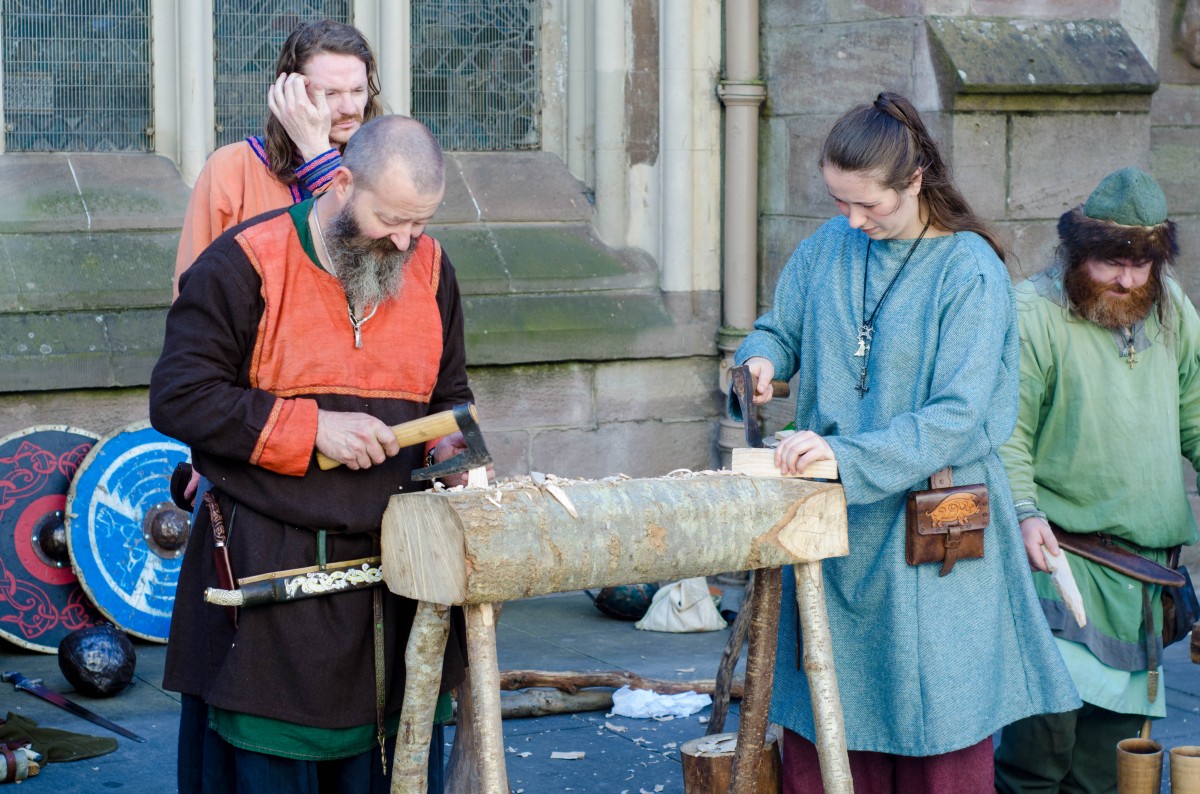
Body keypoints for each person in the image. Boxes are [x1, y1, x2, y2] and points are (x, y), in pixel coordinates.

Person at [731, 92, 1080, 792]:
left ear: (915, 180)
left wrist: (847, 458)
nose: (853, 221)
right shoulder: (828, 247)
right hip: (832, 536)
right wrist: (762, 357)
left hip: (933, 538)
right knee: (827, 738)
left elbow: (959, 413)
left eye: (869, 206)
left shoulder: (969, 271)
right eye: (839, 202)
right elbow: (783, 326)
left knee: (938, 739)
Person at [150, 115, 471, 793]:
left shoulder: (433, 268)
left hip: (395, 593)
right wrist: (312, 429)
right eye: (390, 219)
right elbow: (180, 398)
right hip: (265, 588)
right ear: (342, 183)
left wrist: (456, 448)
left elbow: (451, 395)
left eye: (421, 222)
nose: (406, 240)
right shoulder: (246, 263)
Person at [993, 168, 1200, 793]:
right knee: (1039, 752)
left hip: (1141, 581)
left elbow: (1197, 416)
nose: (1128, 280)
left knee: (1107, 770)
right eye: (1114, 262)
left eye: (1143, 266)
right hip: (1056, 563)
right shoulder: (1033, 312)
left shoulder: (1171, 309)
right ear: (1081, 250)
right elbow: (1008, 434)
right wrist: (1025, 514)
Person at [174, 18, 383, 297]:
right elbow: (195, 294)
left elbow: (374, 264)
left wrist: (317, 155)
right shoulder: (231, 168)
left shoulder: (387, 166)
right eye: (330, 93)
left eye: (358, 91)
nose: (349, 108)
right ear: (289, 93)